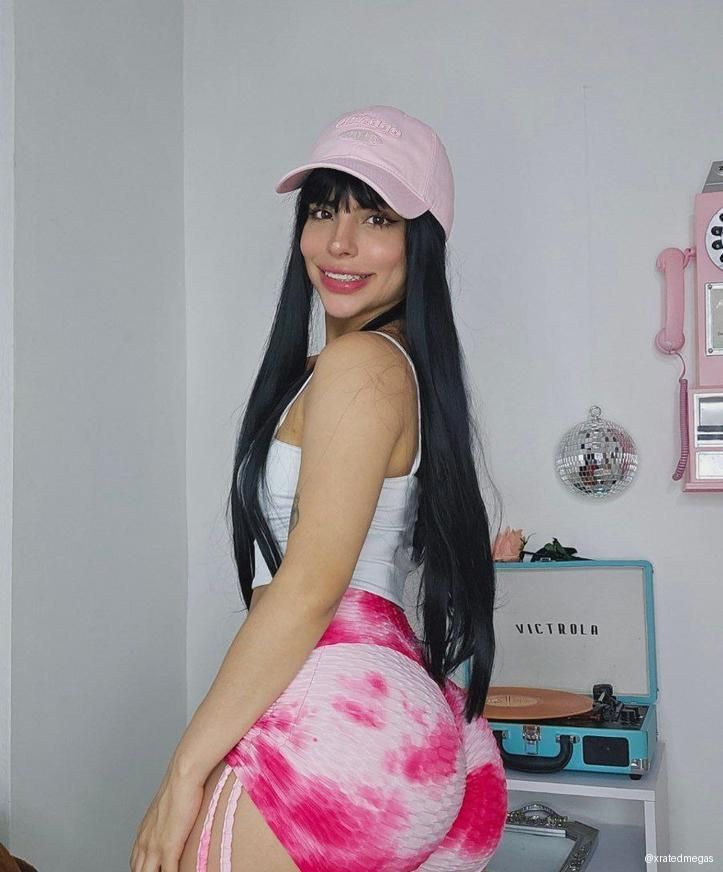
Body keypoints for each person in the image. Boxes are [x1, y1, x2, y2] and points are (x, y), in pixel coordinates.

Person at [131, 105, 507, 872]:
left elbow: (308, 589)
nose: (339, 242)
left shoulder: (360, 365)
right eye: (323, 210)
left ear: (420, 242)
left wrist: (182, 770)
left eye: (376, 217)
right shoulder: (371, 371)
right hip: (382, 709)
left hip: (342, 713)